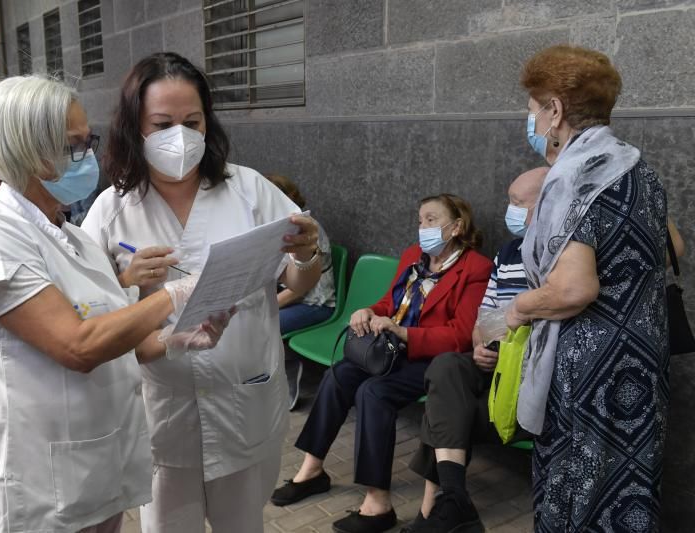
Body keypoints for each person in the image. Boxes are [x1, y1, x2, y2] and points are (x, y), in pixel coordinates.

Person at [0, 75, 230, 533]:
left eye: (87, 140)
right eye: (75, 145)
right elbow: (78, 346)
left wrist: (176, 341)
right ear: (30, 152)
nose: (89, 155)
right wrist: (178, 293)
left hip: (96, 469)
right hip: (40, 482)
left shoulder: (73, 238)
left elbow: (121, 343)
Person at [80, 52, 321, 533]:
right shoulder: (111, 211)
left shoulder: (250, 189)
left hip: (243, 397)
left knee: (243, 524)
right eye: (162, 123)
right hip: (164, 413)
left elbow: (298, 282)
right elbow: (90, 316)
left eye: (192, 121)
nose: (180, 137)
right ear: (134, 127)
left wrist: (305, 255)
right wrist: (128, 282)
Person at [506, 45, 669, 531]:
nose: (533, 118)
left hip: (588, 369)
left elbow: (573, 289)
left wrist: (519, 307)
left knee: (579, 491)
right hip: (643, 353)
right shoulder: (639, 168)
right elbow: (670, 244)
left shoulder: (574, 176)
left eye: (535, 107)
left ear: (554, 109)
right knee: (630, 485)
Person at [270, 194, 493, 533]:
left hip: (434, 362)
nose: (423, 228)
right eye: (420, 220)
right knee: (340, 374)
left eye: (432, 220)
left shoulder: (475, 269)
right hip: (392, 351)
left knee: (374, 393)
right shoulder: (412, 257)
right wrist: (369, 311)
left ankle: (378, 503)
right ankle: (312, 471)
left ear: (457, 226)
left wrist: (402, 332)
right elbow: (390, 302)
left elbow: (461, 336)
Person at [400, 167, 548, 533]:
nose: (509, 210)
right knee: (447, 367)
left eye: (517, 203)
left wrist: (512, 331)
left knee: (446, 412)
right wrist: (481, 342)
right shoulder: (507, 253)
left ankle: (439, 509)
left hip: (529, 375)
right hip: (492, 362)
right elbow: (484, 316)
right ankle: (453, 499)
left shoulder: (560, 253)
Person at [266, 174, 336, 410]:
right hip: (294, 298)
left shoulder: (305, 231)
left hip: (317, 304)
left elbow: (300, 289)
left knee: (265, 323)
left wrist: (267, 306)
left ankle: (290, 365)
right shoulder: (277, 229)